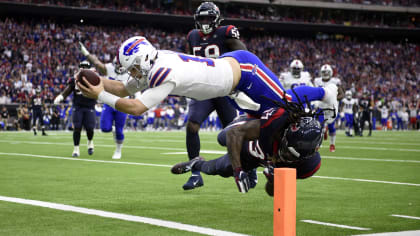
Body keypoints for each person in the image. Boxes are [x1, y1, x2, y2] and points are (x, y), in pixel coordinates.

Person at [76, 36, 338, 125]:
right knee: (267, 118)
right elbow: (121, 87)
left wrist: (99, 95)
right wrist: (96, 81)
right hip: (232, 81)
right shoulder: (156, 62)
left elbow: (135, 108)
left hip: (244, 71)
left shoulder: (162, 72)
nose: (130, 73)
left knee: (284, 101)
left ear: (143, 60)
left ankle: (326, 91)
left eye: (131, 68)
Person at [171, 99, 323, 195]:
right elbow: (234, 134)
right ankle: (242, 168)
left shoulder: (308, 165)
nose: (286, 157)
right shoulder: (275, 126)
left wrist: (273, 180)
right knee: (222, 138)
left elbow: (272, 193)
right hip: (248, 135)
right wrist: (238, 171)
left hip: (253, 157)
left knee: (219, 169)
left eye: (292, 157)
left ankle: (196, 163)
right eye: (287, 151)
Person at [182, 1, 249, 190]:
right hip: (203, 88)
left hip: (224, 89)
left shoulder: (225, 32)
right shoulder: (192, 36)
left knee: (232, 133)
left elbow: (245, 55)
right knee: (192, 125)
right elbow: (190, 61)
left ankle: (248, 168)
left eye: (208, 18)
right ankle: (195, 173)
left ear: (217, 19)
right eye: (201, 18)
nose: (204, 21)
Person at [79, 42, 133, 159]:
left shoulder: (131, 73)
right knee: (105, 128)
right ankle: (112, 130)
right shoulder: (109, 68)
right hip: (109, 102)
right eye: (117, 65)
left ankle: (118, 150)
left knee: (119, 130)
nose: (118, 67)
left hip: (123, 104)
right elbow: (97, 63)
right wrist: (86, 53)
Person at [53, 61, 96, 157]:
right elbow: (67, 90)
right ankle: (76, 149)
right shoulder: (74, 79)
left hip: (89, 106)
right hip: (78, 106)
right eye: (82, 67)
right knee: (77, 128)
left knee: (90, 128)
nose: (84, 69)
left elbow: (100, 90)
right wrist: (60, 97)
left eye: (86, 67)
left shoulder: (94, 79)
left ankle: (90, 142)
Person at [313, 64, 344, 152]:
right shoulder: (317, 81)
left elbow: (342, 94)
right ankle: (318, 143)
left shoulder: (335, 81)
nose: (326, 73)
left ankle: (332, 144)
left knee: (331, 126)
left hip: (331, 107)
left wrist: (332, 98)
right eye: (324, 72)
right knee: (318, 126)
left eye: (327, 72)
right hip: (321, 106)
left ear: (331, 73)